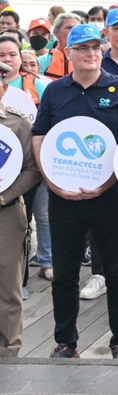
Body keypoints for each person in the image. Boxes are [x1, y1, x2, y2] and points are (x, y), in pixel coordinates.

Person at [32, 24, 118, 359]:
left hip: (111, 198)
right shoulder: (55, 91)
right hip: (63, 198)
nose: (91, 53)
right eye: (83, 48)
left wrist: (106, 185)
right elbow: (40, 135)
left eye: (96, 47)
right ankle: (66, 342)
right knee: (64, 274)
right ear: (69, 53)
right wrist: (51, 181)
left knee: (117, 272)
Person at [0, 62, 41, 357]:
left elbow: (32, 170)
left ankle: (9, 351)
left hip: (6, 211)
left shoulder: (18, 123)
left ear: (4, 87)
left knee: (8, 284)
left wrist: (4, 197)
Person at [38, 13, 80, 80]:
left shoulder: (86, 60)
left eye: (77, 29)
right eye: (69, 28)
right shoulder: (43, 61)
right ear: (56, 32)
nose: (74, 32)